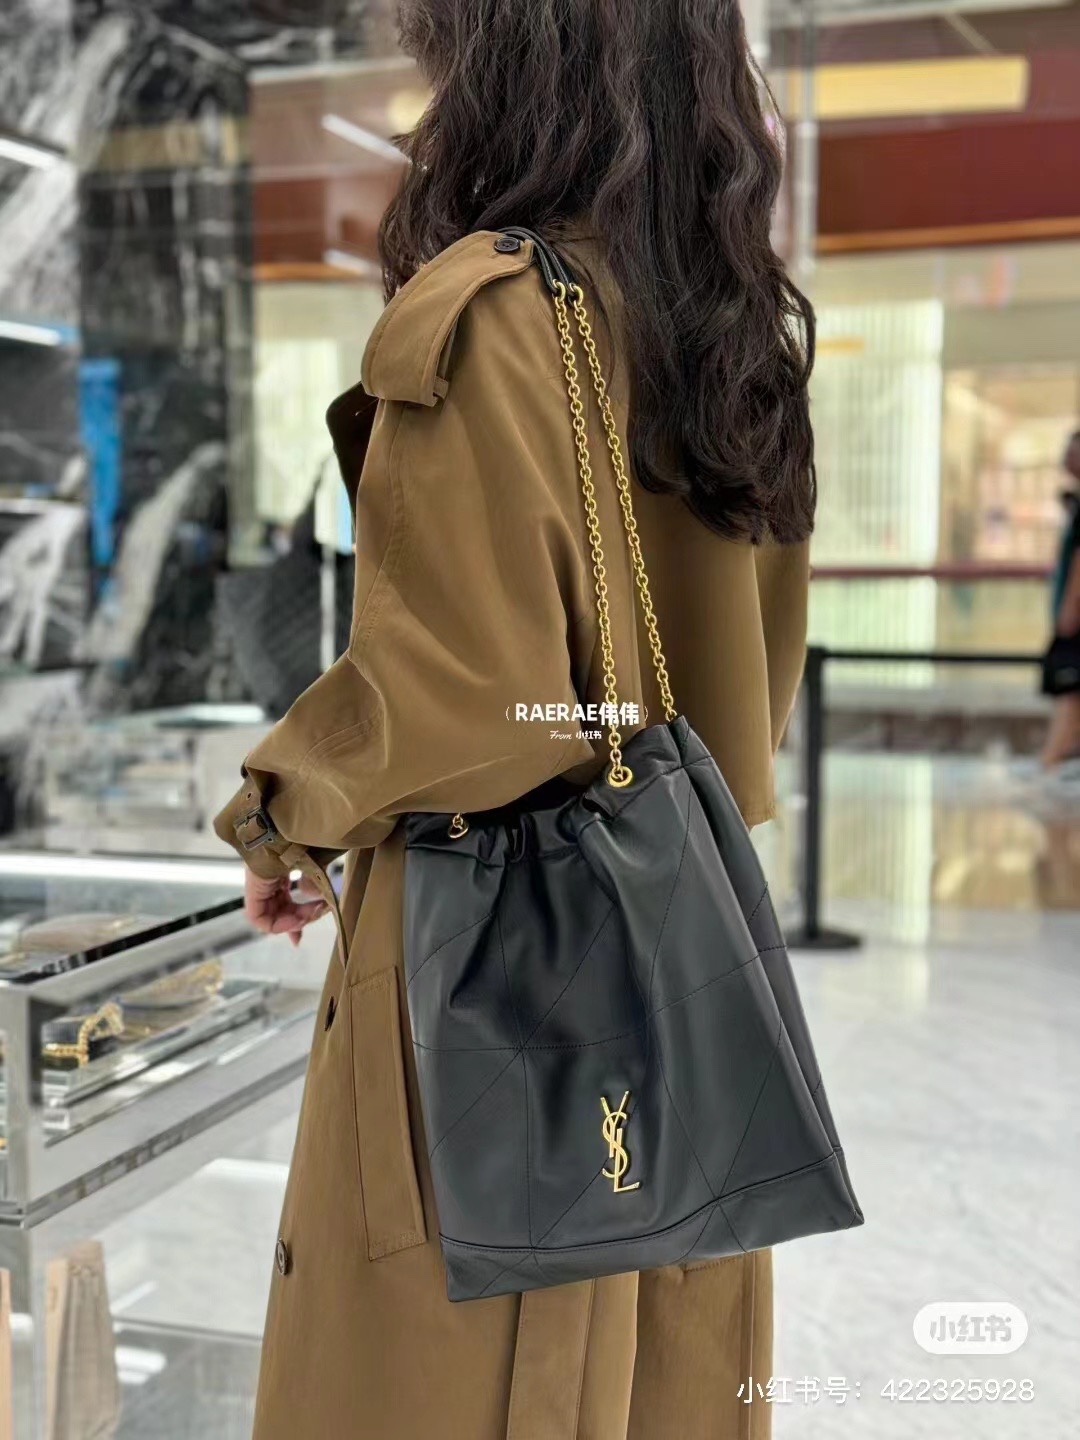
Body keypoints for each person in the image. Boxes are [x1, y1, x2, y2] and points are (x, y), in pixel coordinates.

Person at [214, 2, 816, 1435]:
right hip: (682, 964)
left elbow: (480, 704)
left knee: (443, 1372)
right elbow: (745, 691)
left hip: (491, 976)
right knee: (659, 1362)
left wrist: (285, 809)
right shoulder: (738, 335)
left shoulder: (491, 316)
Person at [1041, 429, 1080, 768]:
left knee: (1068, 687)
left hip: (1075, 616)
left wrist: (1070, 606)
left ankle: (1051, 761)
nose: (1066, 459)